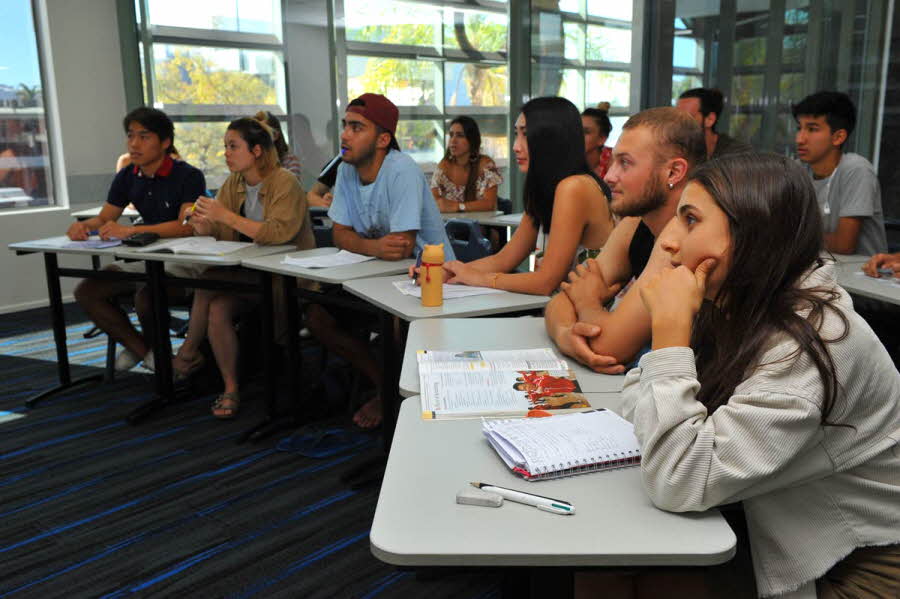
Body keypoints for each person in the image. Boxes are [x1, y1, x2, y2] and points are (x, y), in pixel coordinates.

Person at [618, 152, 900, 598]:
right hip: (777, 529)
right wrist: (671, 349)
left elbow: (678, 478)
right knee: (614, 570)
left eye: (690, 220)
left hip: (856, 564)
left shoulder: (814, 344)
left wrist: (669, 335)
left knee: (628, 575)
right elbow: (636, 403)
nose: (668, 241)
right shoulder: (743, 301)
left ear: (753, 232)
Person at [306, 93, 454, 429]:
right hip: (375, 277)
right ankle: (384, 385)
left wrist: (361, 244)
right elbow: (340, 234)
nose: (345, 135)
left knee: (397, 323)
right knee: (317, 316)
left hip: (430, 280)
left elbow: (400, 248)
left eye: (357, 128)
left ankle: (400, 394)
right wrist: (372, 246)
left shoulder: (401, 170)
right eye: (345, 126)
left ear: (383, 139)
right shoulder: (346, 169)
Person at [172, 117, 314, 419]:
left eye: (233, 146)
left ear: (257, 150)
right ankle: (230, 387)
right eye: (225, 146)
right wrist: (202, 224)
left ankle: (187, 354)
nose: (226, 153)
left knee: (209, 282)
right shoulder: (233, 183)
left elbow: (277, 233)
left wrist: (224, 216)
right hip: (251, 274)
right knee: (216, 306)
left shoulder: (284, 182)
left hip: (285, 277)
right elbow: (219, 231)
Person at [544, 107, 706, 370]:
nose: (608, 176)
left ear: (674, 172)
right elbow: (560, 301)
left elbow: (609, 348)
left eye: (625, 163)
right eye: (612, 162)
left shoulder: (682, 234)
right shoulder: (636, 221)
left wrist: (586, 301)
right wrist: (565, 334)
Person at [431, 97, 615, 296]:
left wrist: (479, 278)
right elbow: (503, 259)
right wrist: (447, 271)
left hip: (592, 313)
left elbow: (546, 282)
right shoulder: (546, 188)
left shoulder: (574, 187)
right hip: (561, 308)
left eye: (526, 135)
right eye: (516, 134)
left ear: (552, 138)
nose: (516, 146)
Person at [69, 107, 205, 372]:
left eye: (144, 137)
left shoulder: (188, 175)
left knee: (147, 296)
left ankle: (162, 363)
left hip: (184, 259)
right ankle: (149, 355)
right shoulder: (127, 175)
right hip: (148, 258)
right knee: (88, 290)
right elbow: (105, 217)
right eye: (130, 136)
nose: (134, 144)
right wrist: (83, 226)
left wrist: (132, 231)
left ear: (165, 142)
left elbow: (185, 227)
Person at [794, 91, 887, 256]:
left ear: (838, 137)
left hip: (860, 271)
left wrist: (792, 238)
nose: (800, 139)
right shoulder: (797, 170)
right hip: (817, 266)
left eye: (812, 129)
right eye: (799, 128)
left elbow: (844, 245)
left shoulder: (857, 169)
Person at [430, 116, 502, 213]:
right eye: (451, 135)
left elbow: (489, 204)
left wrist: (458, 207)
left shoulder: (486, 165)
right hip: (451, 222)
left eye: (460, 135)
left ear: (472, 140)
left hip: (483, 222)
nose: (453, 141)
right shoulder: (444, 166)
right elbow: (434, 202)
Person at [676, 88, 753, 159]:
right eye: (676, 117)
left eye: (687, 118)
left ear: (710, 120)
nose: (678, 124)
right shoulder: (677, 149)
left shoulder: (737, 154)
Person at [253, 110, 302, 180]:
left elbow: (289, 186)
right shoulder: (250, 161)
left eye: (263, 133)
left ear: (275, 135)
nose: (257, 138)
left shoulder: (290, 161)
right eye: (254, 134)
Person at [582, 102, 613, 179]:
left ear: (602, 138)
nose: (578, 135)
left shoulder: (614, 161)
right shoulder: (566, 159)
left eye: (586, 132)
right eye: (576, 130)